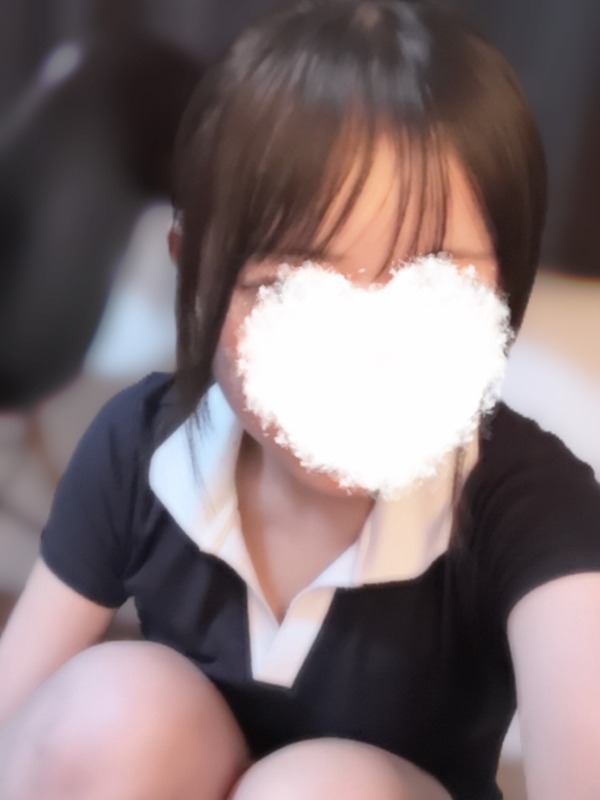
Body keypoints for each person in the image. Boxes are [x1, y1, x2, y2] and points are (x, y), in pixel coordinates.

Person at [0, 1, 599, 798]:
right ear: (190, 269)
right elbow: (17, 718)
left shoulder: (524, 502)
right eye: (285, 290)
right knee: (108, 711)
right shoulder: (144, 448)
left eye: (427, 288)